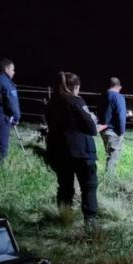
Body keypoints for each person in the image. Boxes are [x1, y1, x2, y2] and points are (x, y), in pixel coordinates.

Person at [44, 71, 99, 229]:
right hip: (81, 151)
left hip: (59, 150)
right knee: (89, 185)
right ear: (75, 86)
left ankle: (64, 219)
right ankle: (90, 222)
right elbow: (90, 126)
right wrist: (95, 125)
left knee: (65, 186)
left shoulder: (51, 103)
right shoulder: (76, 101)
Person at [97, 77, 127, 174]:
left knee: (109, 154)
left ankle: (108, 178)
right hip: (113, 131)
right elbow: (121, 116)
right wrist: (122, 132)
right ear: (119, 86)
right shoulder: (118, 97)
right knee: (113, 156)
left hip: (103, 130)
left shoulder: (102, 96)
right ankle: (109, 181)